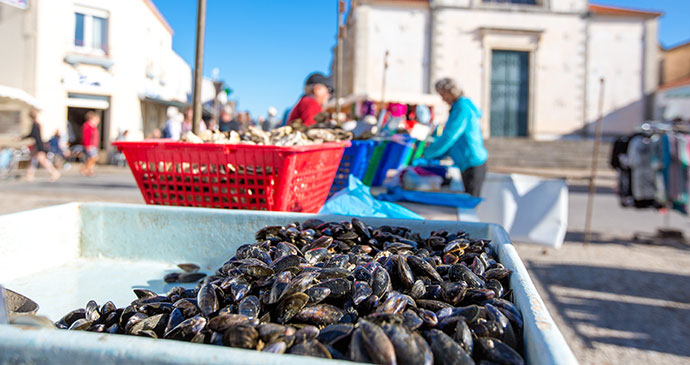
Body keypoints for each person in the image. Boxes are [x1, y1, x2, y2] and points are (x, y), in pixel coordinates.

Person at [423, 78, 488, 197]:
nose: (442, 98)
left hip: (472, 161)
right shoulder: (459, 107)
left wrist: (427, 153)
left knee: (471, 199)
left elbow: (450, 136)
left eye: (443, 94)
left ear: (451, 91)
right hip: (466, 161)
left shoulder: (462, 108)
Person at [20, 110, 61, 182]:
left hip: (38, 145)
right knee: (32, 159)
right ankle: (29, 175)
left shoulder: (35, 125)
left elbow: (33, 135)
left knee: (42, 160)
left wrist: (22, 138)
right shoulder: (37, 124)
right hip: (38, 145)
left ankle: (54, 172)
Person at [80, 111, 101, 176]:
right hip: (90, 145)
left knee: (91, 158)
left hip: (94, 145)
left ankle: (89, 170)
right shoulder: (88, 126)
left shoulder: (93, 126)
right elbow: (86, 136)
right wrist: (87, 145)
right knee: (93, 157)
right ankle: (85, 169)